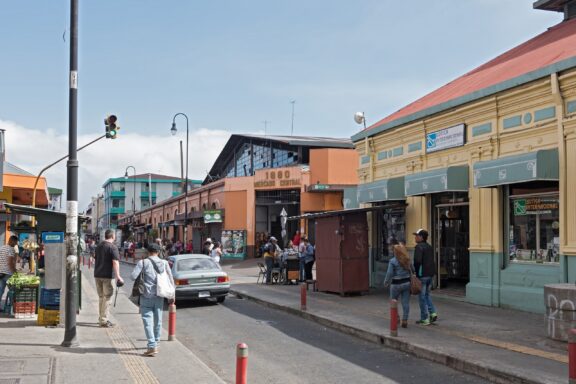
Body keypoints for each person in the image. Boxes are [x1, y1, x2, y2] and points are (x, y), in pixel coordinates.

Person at [131, 243, 175, 357]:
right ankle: (156, 342)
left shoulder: (143, 262)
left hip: (146, 295)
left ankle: (151, 345)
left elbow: (132, 276)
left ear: (147, 252)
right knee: (158, 320)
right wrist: (172, 295)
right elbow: (170, 279)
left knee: (147, 321)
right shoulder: (165, 263)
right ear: (158, 252)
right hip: (160, 295)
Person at [94, 229, 124, 328]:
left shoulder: (99, 246)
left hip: (97, 274)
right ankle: (103, 320)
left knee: (101, 297)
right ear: (113, 236)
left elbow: (95, 258)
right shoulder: (113, 247)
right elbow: (115, 262)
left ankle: (101, 318)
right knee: (107, 298)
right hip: (107, 276)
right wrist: (118, 276)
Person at [383, 244, 413, 328]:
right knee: (405, 303)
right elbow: (413, 270)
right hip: (406, 283)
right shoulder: (407, 259)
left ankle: (396, 318)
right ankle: (405, 320)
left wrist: (386, 281)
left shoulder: (392, 261)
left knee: (393, 301)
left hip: (395, 284)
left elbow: (390, 273)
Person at [413, 228, 437, 326]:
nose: (415, 237)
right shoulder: (429, 247)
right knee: (427, 295)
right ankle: (433, 313)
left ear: (421, 237)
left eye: (417, 236)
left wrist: (416, 273)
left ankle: (424, 318)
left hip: (422, 275)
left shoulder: (419, 247)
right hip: (430, 275)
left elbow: (417, 261)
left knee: (422, 297)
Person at [0, 235, 19, 310]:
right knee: (12, 290)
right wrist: (15, 271)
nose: (16, 244)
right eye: (15, 242)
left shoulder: (2, 247)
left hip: (0, 273)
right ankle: (12, 307)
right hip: (8, 273)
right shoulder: (11, 249)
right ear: (11, 241)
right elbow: (10, 262)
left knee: (1, 290)